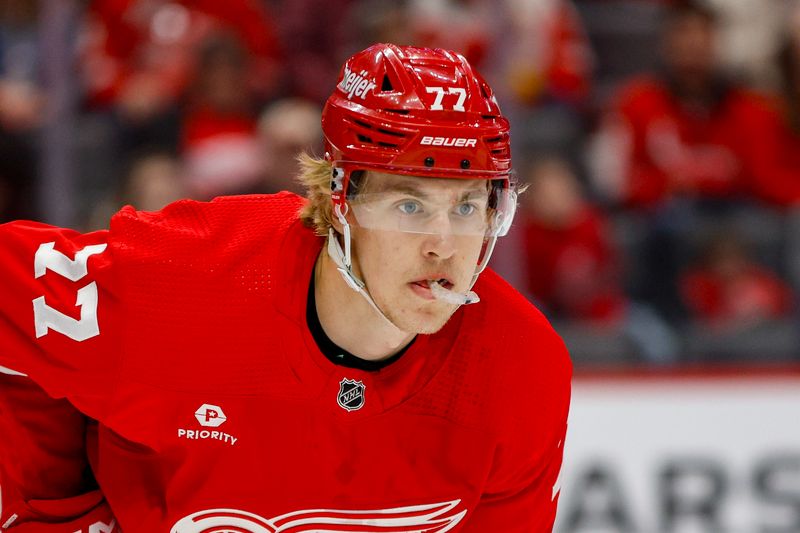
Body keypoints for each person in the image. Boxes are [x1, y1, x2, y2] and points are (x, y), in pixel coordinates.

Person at [0, 43, 571, 532]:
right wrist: (52, 507)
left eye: (468, 206)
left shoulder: (521, 367)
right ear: (338, 198)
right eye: (409, 203)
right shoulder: (185, 277)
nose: (444, 245)